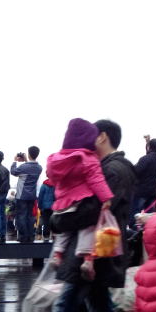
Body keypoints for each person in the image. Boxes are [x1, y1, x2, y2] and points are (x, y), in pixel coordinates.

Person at [17, 119, 135, 312]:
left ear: (102, 137)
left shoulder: (113, 169)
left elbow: (91, 210)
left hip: (92, 253)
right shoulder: (112, 167)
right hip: (97, 252)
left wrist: (58, 220)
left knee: (64, 308)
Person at [46, 119, 115, 281]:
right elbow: (96, 179)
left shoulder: (56, 159)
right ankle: (87, 260)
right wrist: (106, 198)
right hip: (80, 199)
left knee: (65, 230)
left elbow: (52, 178)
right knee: (88, 227)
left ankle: (57, 254)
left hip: (62, 203)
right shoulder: (88, 158)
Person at [10, 146, 42, 242]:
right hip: (32, 196)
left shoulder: (24, 167)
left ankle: (23, 237)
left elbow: (13, 172)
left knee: (21, 216)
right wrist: (26, 160)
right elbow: (30, 167)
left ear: (28, 154)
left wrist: (14, 161)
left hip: (22, 195)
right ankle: (30, 236)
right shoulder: (39, 168)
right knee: (30, 216)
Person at [130, 137, 156, 225]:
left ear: (149, 147)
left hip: (142, 191)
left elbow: (136, 171)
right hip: (153, 192)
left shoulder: (145, 159)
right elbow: (151, 157)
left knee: (135, 213)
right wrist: (148, 143)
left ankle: (134, 229)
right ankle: (149, 228)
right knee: (150, 215)